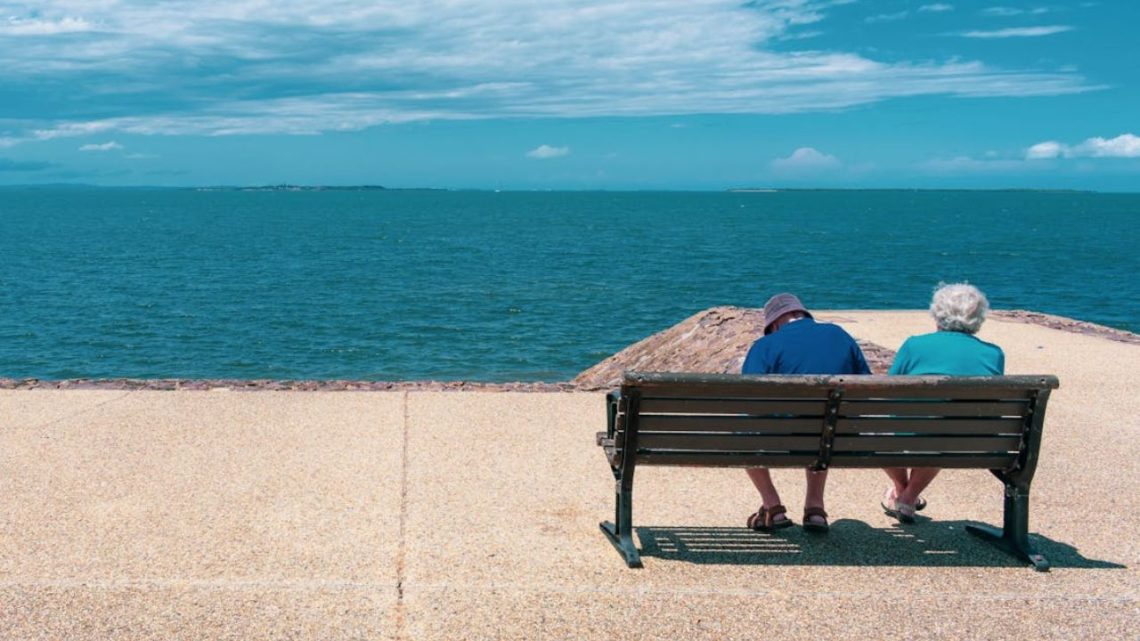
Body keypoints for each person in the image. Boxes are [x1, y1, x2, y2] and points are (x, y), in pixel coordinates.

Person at [742, 293, 871, 533]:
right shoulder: (839, 334)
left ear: (775, 323)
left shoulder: (764, 345)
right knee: (823, 426)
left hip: (780, 440)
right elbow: (866, 385)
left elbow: (748, 399)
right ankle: (814, 508)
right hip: (835, 438)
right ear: (801, 313)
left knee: (745, 432)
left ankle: (772, 506)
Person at [881, 283, 1004, 523]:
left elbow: (888, 392)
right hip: (966, 441)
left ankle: (901, 489)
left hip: (909, 434)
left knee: (884, 428)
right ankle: (907, 498)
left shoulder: (914, 345)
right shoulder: (993, 353)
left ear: (937, 313)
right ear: (978, 318)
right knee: (945, 432)